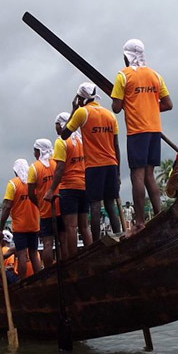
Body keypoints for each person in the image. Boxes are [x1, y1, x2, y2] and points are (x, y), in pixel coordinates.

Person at [110, 39, 173, 233]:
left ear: (127, 56)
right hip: (154, 130)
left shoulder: (123, 76)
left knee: (136, 174)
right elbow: (168, 104)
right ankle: (159, 214)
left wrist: (133, 105)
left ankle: (139, 221)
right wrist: (150, 108)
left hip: (137, 132)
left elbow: (116, 107)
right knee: (149, 175)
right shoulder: (155, 75)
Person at [61, 82, 122, 241]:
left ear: (81, 98)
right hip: (111, 164)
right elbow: (116, 146)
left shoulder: (82, 112)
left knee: (95, 205)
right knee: (110, 205)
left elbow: (64, 135)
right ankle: (119, 236)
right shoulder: (110, 115)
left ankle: (96, 244)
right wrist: (118, 172)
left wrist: (74, 110)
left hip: (94, 166)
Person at [47, 112, 92, 257]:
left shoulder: (61, 141)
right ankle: (91, 254)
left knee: (71, 227)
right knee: (84, 226)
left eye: (56, 126)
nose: (56, 129)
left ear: (61, 124)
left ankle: (75, 259)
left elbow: (60, 168)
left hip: (69, 187)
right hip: (84, 185)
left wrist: (51, 189)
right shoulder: (82, 139)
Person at [0, 159, 43, 279]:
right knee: (34, 253)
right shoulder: (33, 183)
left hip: (20, 227)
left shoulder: (13, 184)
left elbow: (7, 207)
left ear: (15, 171)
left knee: (22, 255)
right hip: (34, 225)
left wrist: (0, 229)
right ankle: (40, 279)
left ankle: (22, 281)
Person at [28, 138, 63, 267]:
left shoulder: (34, 168)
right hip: (60, 206)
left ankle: (48, 271)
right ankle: (66, 266)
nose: (34, 154)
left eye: (35, 151)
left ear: (39, 151)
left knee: (48, 243)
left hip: (45, 210)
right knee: (62, 241)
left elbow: (30, 193)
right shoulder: (57, 162)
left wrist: (40, 204)